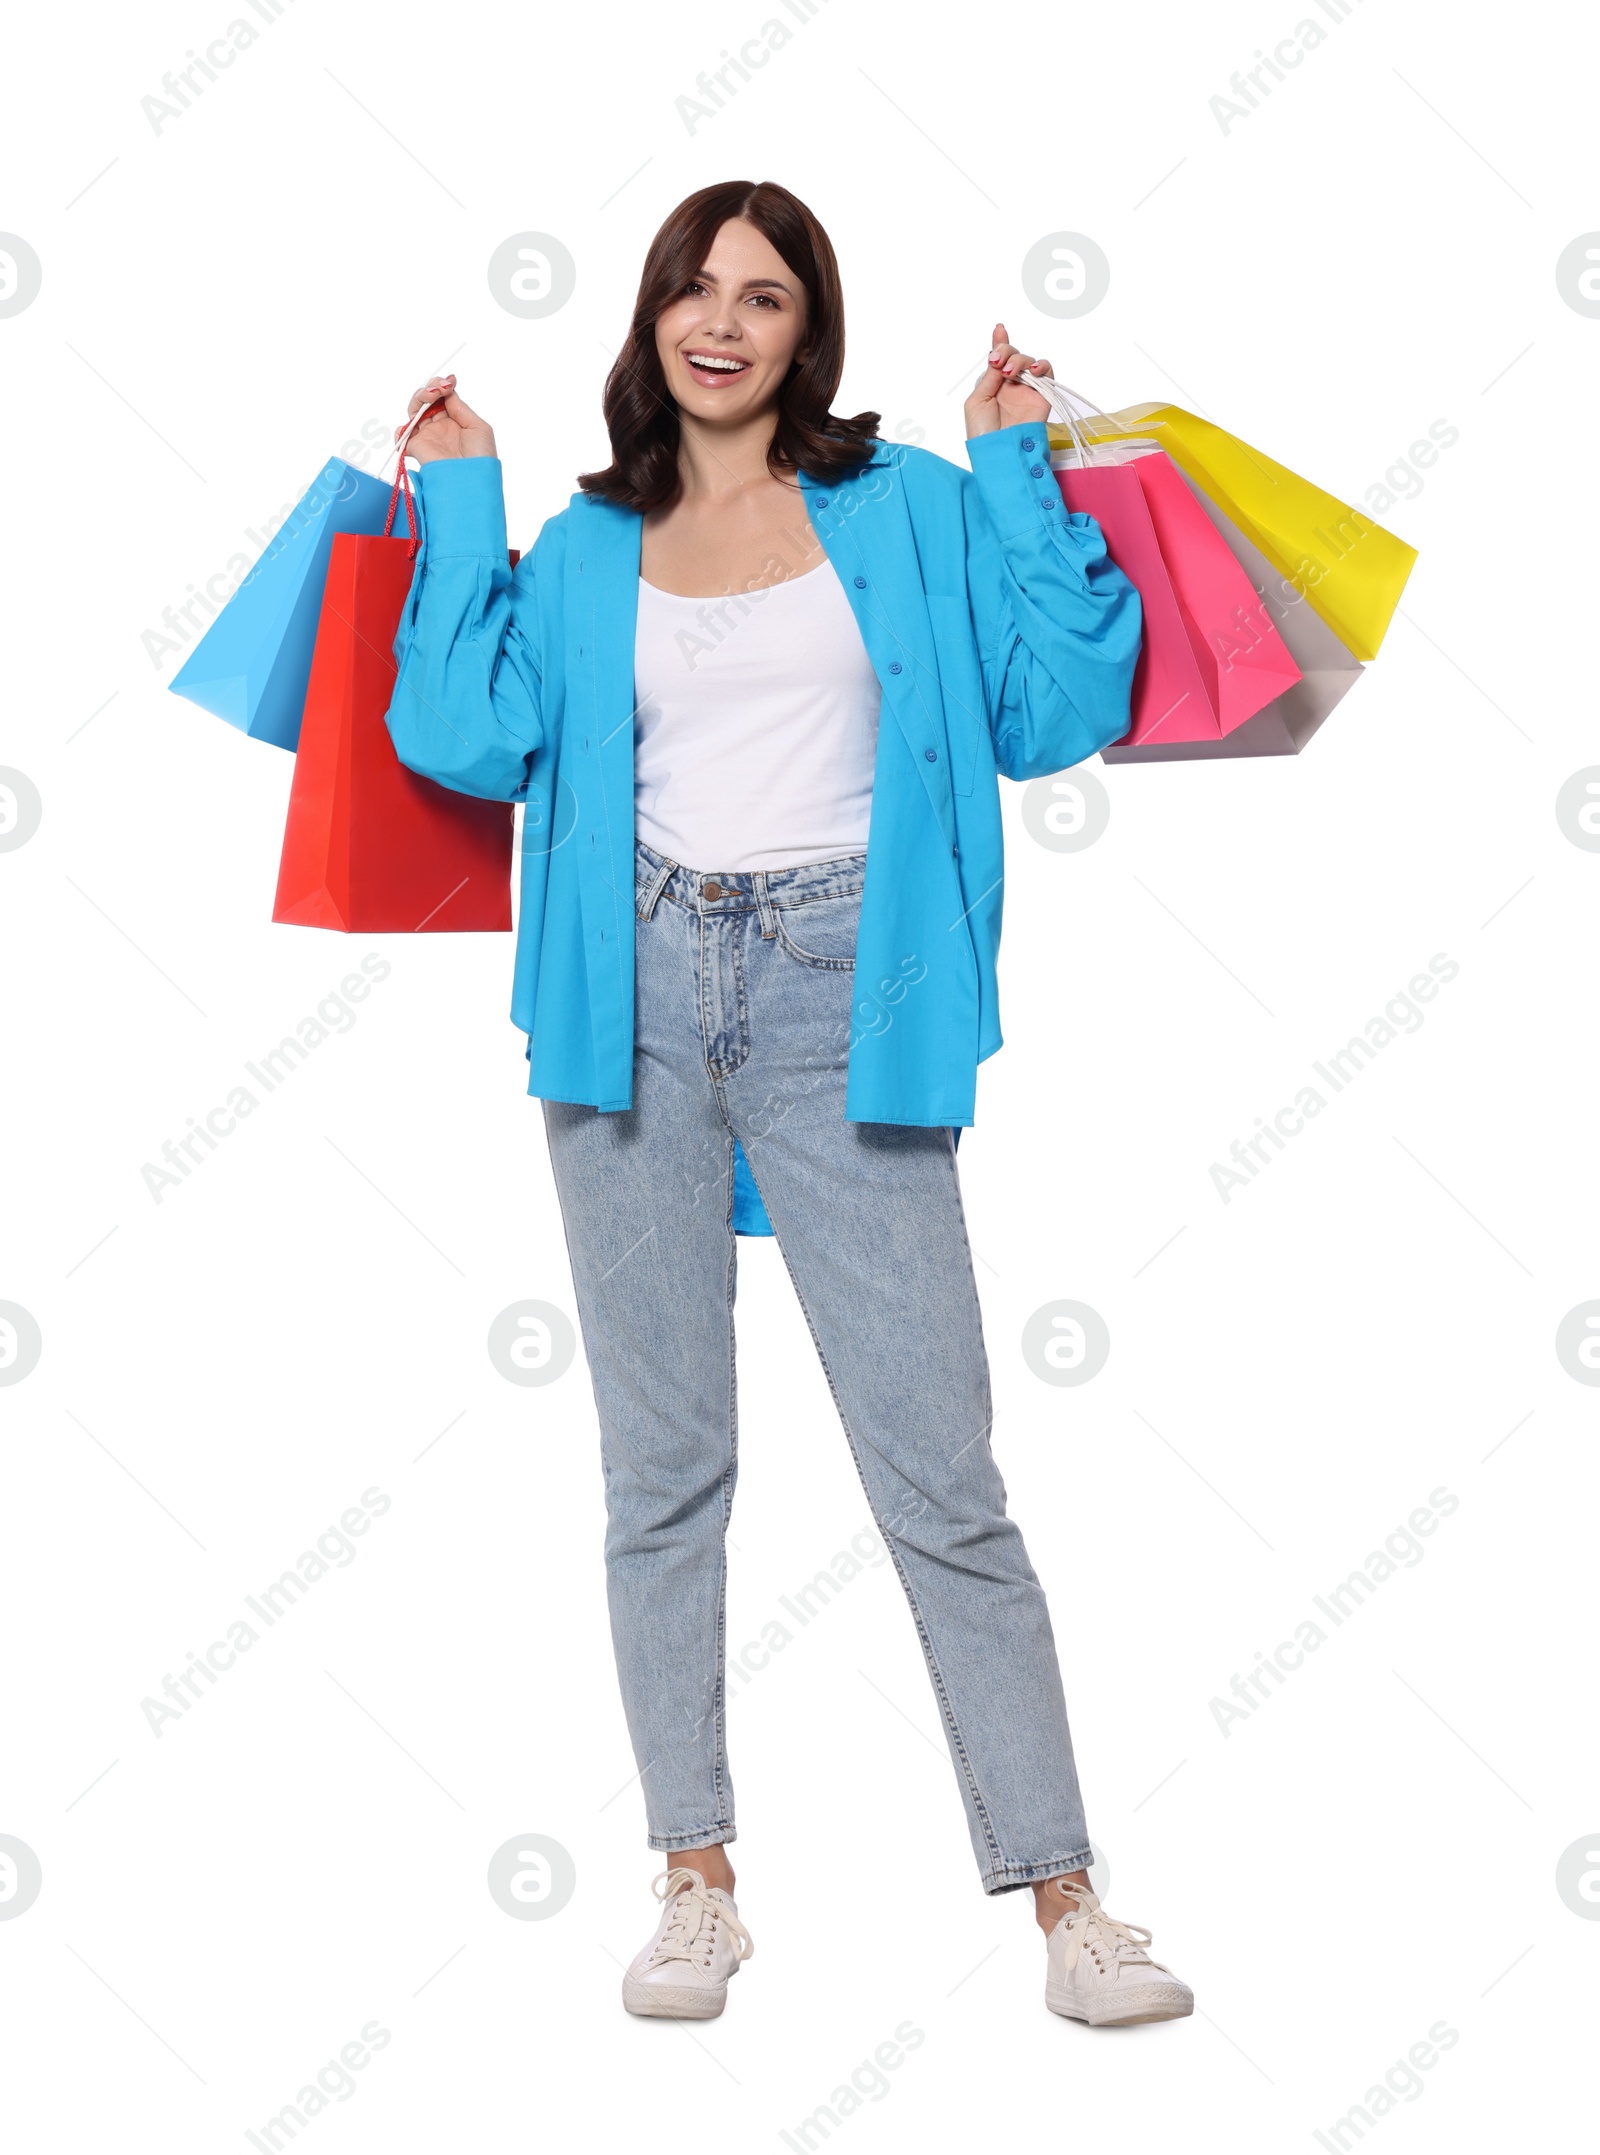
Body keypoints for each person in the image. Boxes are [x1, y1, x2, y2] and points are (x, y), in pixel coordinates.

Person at [385, 179, 1193, 2029]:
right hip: (633, 1002)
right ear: (652, 318)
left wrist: (1016, 473)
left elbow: (1062, 701)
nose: (724, 321)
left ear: (810, 328)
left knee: (942, 1474)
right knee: (663, 1472)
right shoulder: (589, 544)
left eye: (765, 294)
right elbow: (461, 735)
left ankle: (1068, 1900)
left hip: (856, 997)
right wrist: (455, 499)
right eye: (695, 288)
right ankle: (695, 1877)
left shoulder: (900, 507)